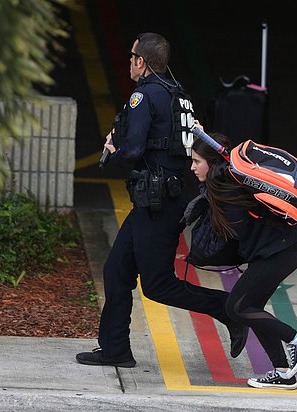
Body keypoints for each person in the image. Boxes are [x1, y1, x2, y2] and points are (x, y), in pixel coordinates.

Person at [76, 33, 247, 368]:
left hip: (158, 205)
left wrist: (114, 150)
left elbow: (135, 149)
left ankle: (230, 309)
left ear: (142, 61)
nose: (129, 61)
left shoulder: (144, 95)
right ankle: (115, 349)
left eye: (132, 56)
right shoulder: (178, 94)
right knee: (115, 272)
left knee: (159, 286)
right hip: (156, 202)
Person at [188, 133, 297, 390]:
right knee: (251, 306)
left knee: (237, 307)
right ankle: (281, 371)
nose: (192, 167)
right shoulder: (229, 181)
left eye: (196, 161)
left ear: (211, 164)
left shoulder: (227, 190)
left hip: (280, 254)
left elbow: (231, 232)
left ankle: (296, 339)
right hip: (281, 251)